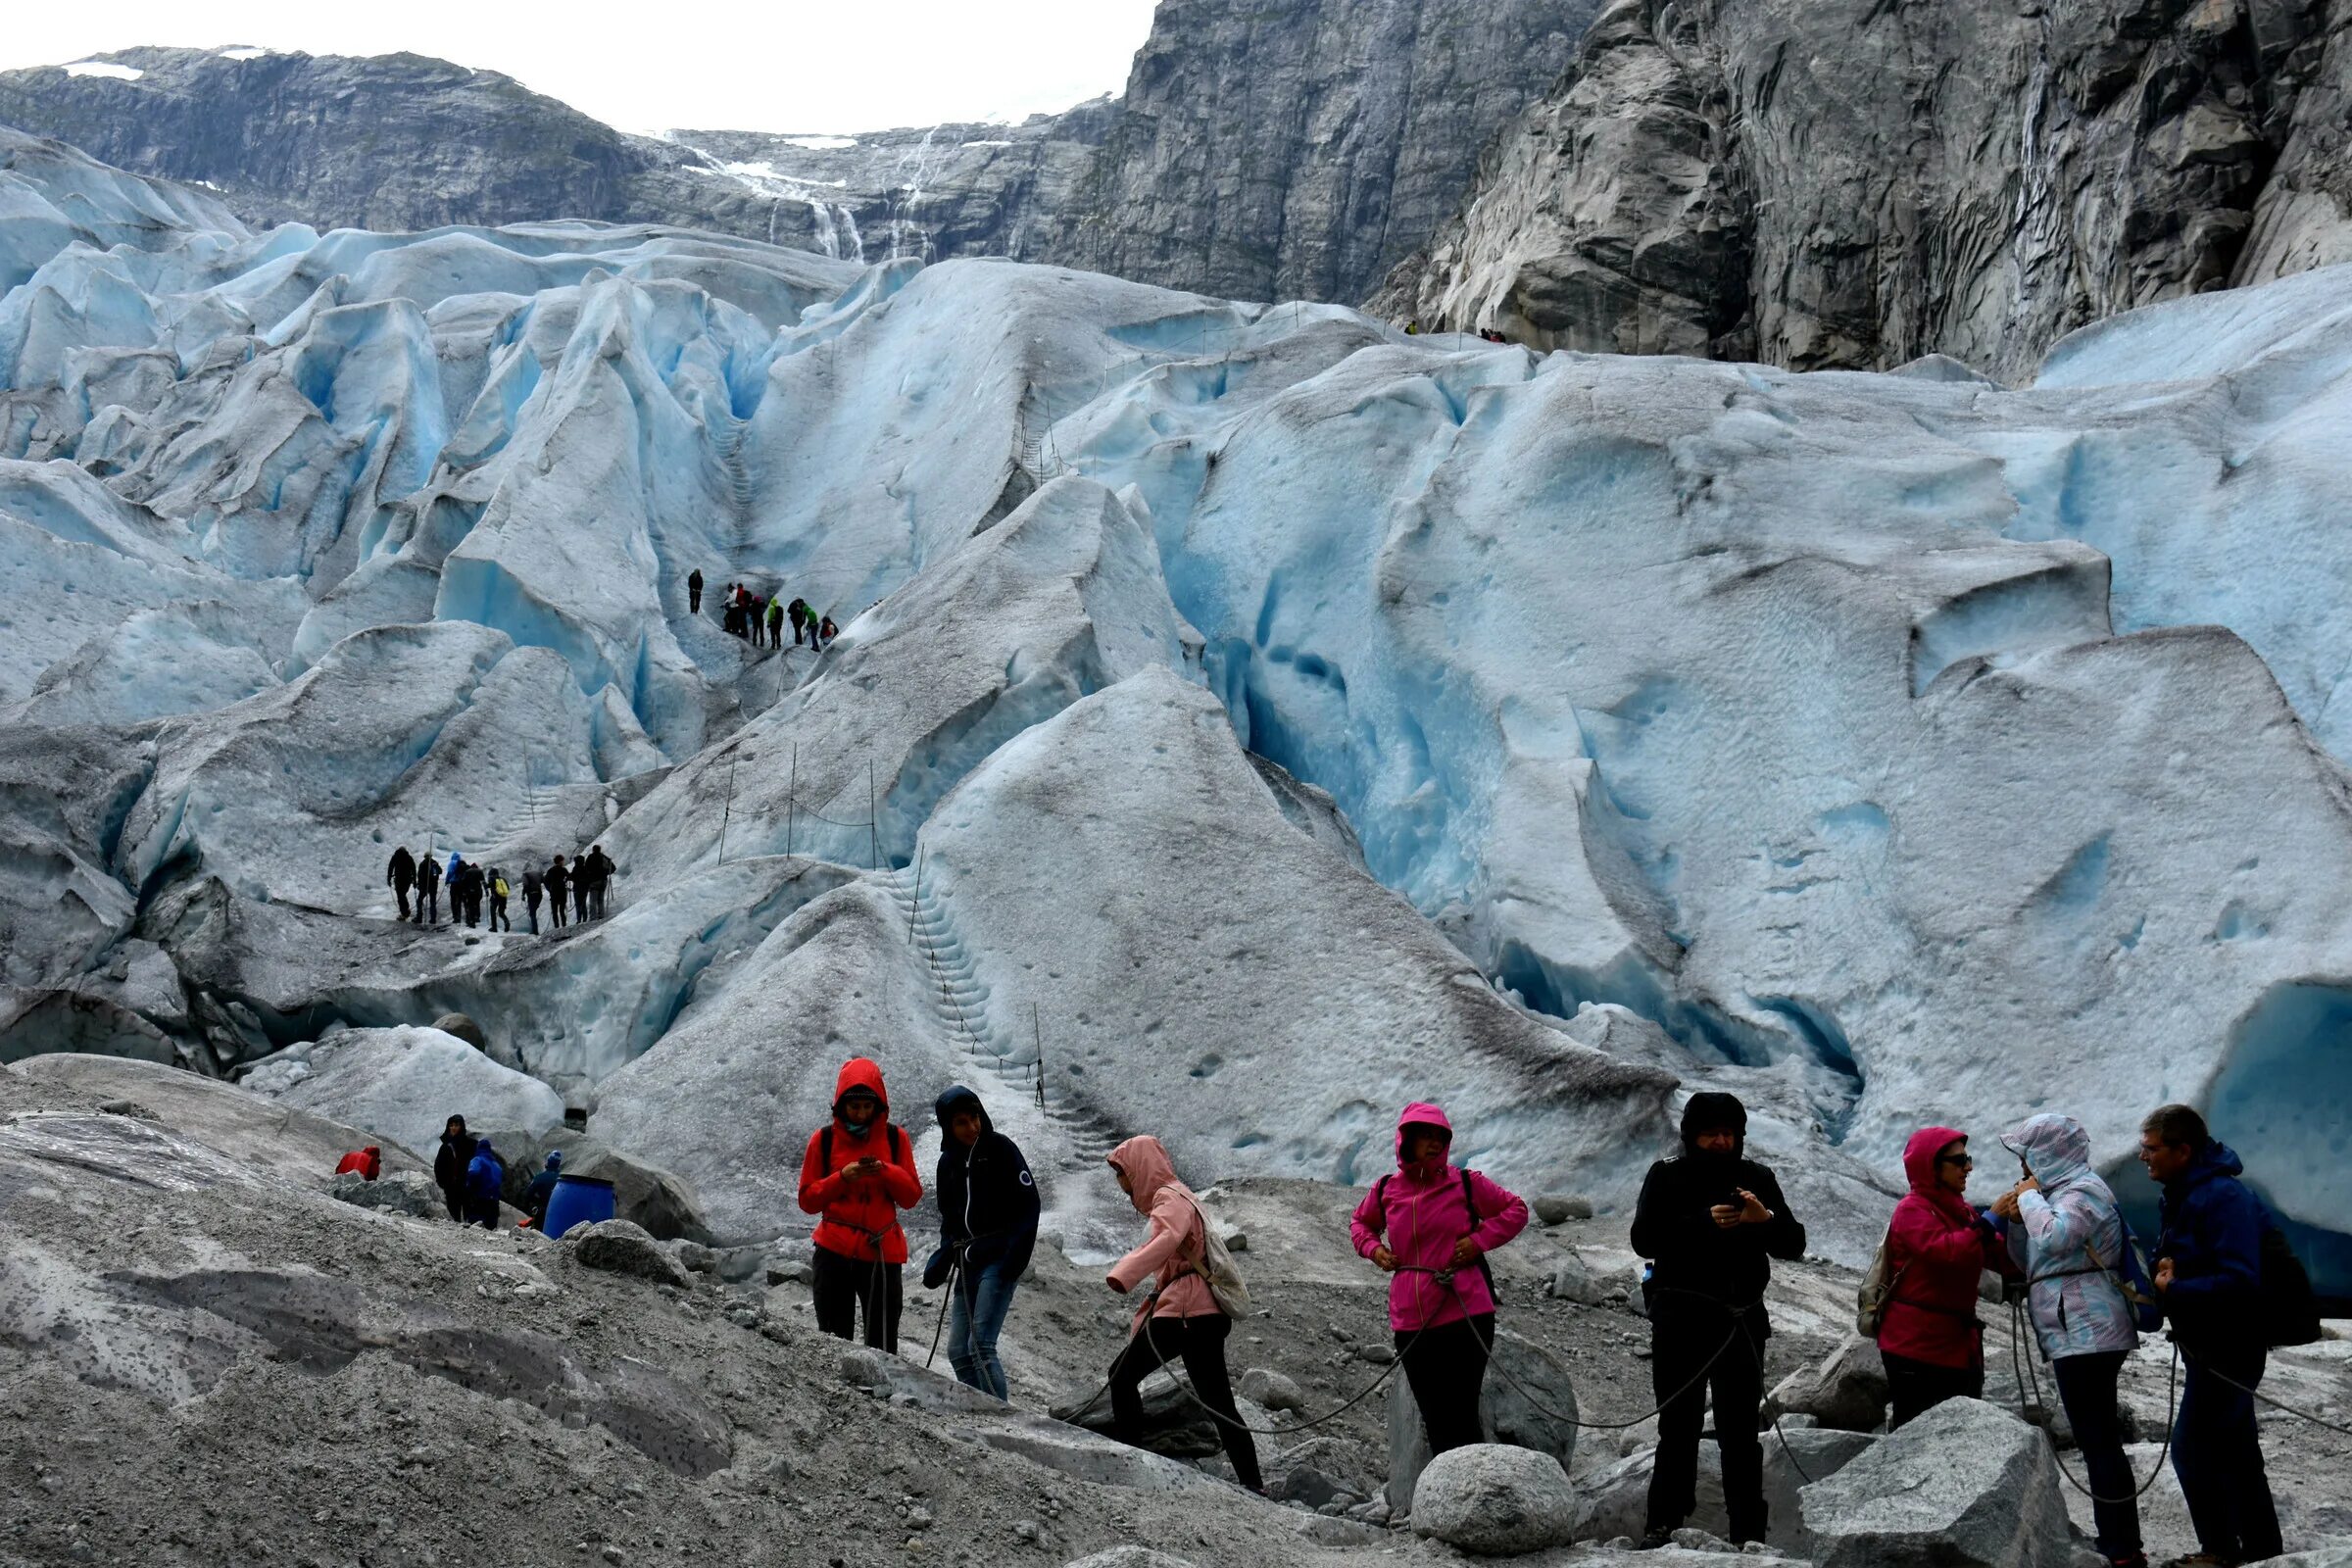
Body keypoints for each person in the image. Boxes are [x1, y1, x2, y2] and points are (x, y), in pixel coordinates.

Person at [1631, 1092, 1805, 1548]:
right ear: (1692, 1135)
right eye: (1711, 1134)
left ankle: (1747, 1533)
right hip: (1680, 1323)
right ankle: (1663, 1526)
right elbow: (1644, 1240)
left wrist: (1761, 1219)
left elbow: (1793, 1243)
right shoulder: (1667, 1176)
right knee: (1678, 1429)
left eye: (1729, 1133)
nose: (1721, 1142)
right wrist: (1703, 1223)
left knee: (1741, 1434)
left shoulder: (1757, 1178)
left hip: (1741, 1324)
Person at [1992, 1114, 2145, 1568]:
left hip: (2091, 1331)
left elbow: (2058, 1238)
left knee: (2098, 1438)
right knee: (2094, 1435)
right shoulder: (2060, 1195)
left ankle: (2121, 1547)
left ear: (2046, 1154)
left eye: (2026, 1156)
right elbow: (2027, 1259)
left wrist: (2031, 1199)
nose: (2023, 1167)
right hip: (2073, 1331)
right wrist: (2018, 1220)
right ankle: (2118, 1541)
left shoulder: (2084, 1191)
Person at [2144, 1102, 2281, 1566]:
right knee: (2236, 1447)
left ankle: (2221, 1550)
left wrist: (2177, 1287)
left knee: (2192, 1446)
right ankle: (2262, 1551)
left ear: (2182, 1151)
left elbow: (2242, 1279)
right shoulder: (2188, 1192)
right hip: (2212, 1343)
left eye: (2152, 1149)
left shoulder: (2220, 1197)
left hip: (2229, 1346)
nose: (2144, 1157)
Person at [1349, 1102, 1529, 1455]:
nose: (1434, 1144)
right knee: (1435, 1416)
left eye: (1440, 1137)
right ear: (1407, 1141)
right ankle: (1451, 1496)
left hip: (1465, 1312)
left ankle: (1472, 1494)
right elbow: (1360, 1223)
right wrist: (1374, 1250)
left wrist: (1478, 1241)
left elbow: (1516, 1210)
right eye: (1425, 1136)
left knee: (1460, 1413)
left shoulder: (1464, 1183)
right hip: (1411, 1321)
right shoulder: (1387, 1189)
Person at [1102, 1134, 1264, 1494]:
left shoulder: (1167, 1197)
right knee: (1219, 1401)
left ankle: (1132, 1465)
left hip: (1186, 1312)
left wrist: (1125, 1272)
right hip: (1205, 1312)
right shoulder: (1183, 1193)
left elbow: (1168, 1238)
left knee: (1121, 1376)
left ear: (1139, 1169)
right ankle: (1253, 1484)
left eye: (1122, 1173)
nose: (1121, 1183)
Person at [1880, 1127, 2016, 1429]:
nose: (1968, 1167)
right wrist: (1991, 1219)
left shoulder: (1960, 1210)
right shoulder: (1911, 1210)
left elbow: (1996, 1254)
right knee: (1917, 1437)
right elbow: (1946, 1252)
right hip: (1917, 1349)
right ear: (1932, 1165)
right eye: (1959, 1160)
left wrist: (2017, 1223)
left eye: (1967, 1159)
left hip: (1951, 1347)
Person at [797, 1058, 923, 1349]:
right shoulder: (824, 1140)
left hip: (881, 1254)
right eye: (854, 1107)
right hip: (834, 1252)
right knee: (833, 1340)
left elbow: (911, 1196)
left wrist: (885, 1170)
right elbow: (807, 1199)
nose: (862, 1113)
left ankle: (880, 1395)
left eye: (867, 1107)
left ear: (879, 1104)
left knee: (882, 1342)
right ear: (841, 1105)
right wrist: (842, 1177)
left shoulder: (895, 1138)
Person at [933, 1085, 1042, 1399]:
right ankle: (983, 1411)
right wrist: (945, 1254)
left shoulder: (1001, 1149)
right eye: (961, 1122)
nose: (972, 1127)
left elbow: (1029, 1204)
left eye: (975, 1117)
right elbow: (949, 1216)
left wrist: (1014, 1260)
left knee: (980, 1346)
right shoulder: (948, 1164)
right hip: (968, 1263)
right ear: (948, 1127)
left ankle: (1003, 1418)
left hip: (998, 1259)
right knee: (957, 1351)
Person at [433, 1115, 475, 1222]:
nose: (453, 1128)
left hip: (468, 1186)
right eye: (451, 1125)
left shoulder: (471, 1144)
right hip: (452, 1187)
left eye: (456, 1125)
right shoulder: (446, 1146)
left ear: (462, 1126)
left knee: (469, 1218)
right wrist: (444, 1183)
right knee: (454, 1216)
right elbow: (438, 1166)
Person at [466, 1136, 505, 1229]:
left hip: (479, 1201)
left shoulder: (477, 1160)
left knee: (475, 1230)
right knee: (490, 1232)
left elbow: (473, 1173)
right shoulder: (497, 1165)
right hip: (494, 1204)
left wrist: (469, 1188)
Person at [521, 1151, 564, 1227]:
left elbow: (528, 1195)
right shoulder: (562, 1180)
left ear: (548, 1161)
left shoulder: (540, 1178)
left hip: (542, 1214)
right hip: (558, 1215)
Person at [385, 846, 416, 920]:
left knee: (400, 896)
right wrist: (415, 880)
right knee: (403, 894)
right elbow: (413, 869)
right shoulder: (409, 857)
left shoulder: (395, 857)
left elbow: (391, 867)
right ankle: (406, 910)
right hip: (407, 880)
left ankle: (404, 913)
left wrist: (389, 879)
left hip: (399, 880)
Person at [584, 846, 613, 919]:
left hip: (594, 881)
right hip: (603, 881)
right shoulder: (604, 857)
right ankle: (601, 916)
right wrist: (606, 873)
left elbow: (586, 869)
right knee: (600, 900)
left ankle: (593, 917)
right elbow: (613, 868)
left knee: (593, 901)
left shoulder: (591, 857)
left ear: (593, 850)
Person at [546, 855, 570, 931]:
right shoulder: (563, 870)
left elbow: (546, 881)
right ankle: (564, 926)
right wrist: (565, 881)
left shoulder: (550, 870)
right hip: (562, 892)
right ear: (560, 861)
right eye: (562, 861)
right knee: (562, 910)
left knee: (554, 911)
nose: (563, 862)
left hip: (554, 892)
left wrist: (549, 889)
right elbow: (569, 877)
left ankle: (556, 926)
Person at [416, 853, 441, 925]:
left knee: (419, 901)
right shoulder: (435, 863)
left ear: (425, 857)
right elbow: (440, 871)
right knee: (432, 902)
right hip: (433, 886)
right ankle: (433, 919)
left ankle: (419, 917)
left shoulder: (423, 864)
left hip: (424, 886)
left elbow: (420, 875)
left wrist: (418, 884)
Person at [488, 867, 511, 932]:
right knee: (501, 913)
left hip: (495, 898)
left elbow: (489, 886)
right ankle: (507, 923)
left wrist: (484, 884)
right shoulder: (503, 879)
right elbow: (508, 888)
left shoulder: (492, 879)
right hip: (503, 897)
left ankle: (494, 928)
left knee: (493, 913)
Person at [521, 864, 543, 934]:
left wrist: (523, 895)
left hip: (532, 895)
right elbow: (543, 881)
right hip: (539, 894)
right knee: (534, 911)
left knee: (532, 913)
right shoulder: (538, 873)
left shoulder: (525, 874)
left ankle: (535, 931)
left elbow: (525, 885)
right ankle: (535, 929)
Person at [571, 852, 590, 924]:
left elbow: (572, 877)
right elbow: (588, 879)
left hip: (576, 889)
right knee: (583, 904)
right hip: (584, 889)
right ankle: (584, 919)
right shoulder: (585, 868)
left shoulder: (575, 868)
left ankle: (579, 919)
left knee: (577, 904)